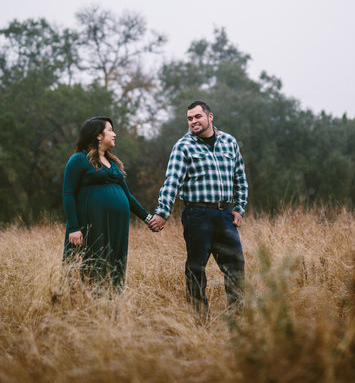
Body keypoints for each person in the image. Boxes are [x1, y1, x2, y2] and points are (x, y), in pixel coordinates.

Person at [148, 101, 248, 317]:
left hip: (224, 214)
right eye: (190, 118)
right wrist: (163, 212)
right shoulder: (183, 146)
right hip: (197, 215)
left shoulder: (229, 142)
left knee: (236, 267)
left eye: (197, 117)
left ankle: (238, 320)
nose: (193, 121)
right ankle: (200, 320)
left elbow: (240, 178)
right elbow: (171, 182)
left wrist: (239, 208)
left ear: (210, 117)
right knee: (196, 269)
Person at [62, 116, 157, 289]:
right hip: (91, 224)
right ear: (99, 135)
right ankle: (83, 306)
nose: (114, 134)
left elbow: (127, 196)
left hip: (116, 226)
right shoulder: (78, 159)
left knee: (114, 264)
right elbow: (68, 194)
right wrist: (74, 228)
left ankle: (111, 306)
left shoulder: (113, 163)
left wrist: (148, 218)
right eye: (110, 130)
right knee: (89, 264)